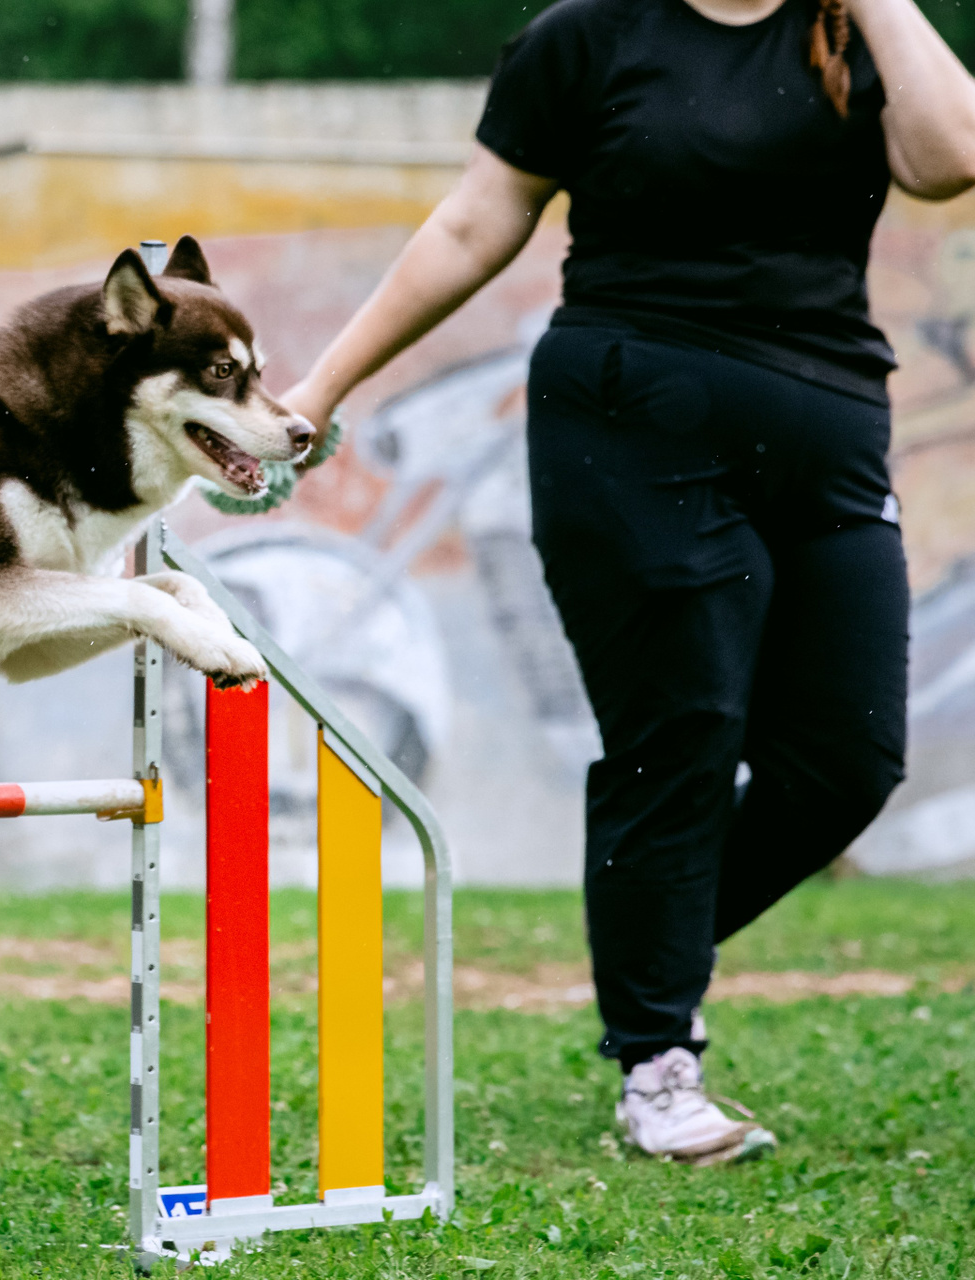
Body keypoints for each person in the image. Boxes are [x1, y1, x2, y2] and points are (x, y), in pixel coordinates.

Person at [281, 0, 975, 1165]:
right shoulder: (591, 36)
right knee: (679, 736)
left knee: (848, 758)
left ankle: (647, 934)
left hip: (830, 436)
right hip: (630, 424)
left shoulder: (860, 34)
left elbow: (951, 157)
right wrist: (321, 386)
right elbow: (475, 222)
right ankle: (657, 1061)